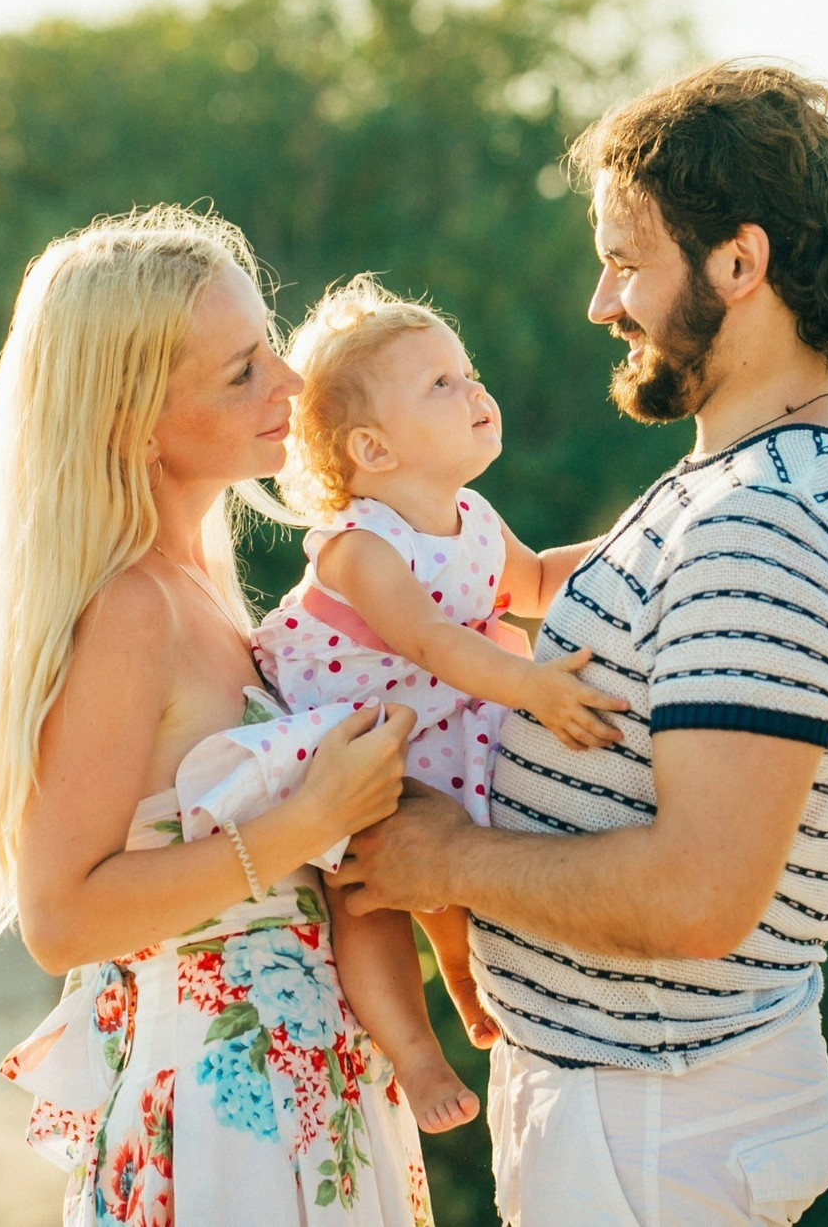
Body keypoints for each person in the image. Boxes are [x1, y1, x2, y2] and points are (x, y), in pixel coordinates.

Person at [325, 62, 828, 1226]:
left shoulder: (763, 521)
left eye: (626, 262)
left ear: (738, 265)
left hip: (655, 1131)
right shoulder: (725, 485)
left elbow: (697, 893)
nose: (601, 301)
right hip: (629, 1112)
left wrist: (446, 862)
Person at [0, 206, 435, 1226]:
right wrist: (301, 816)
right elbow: (60, 917)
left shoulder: (203, 591)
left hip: (301, 1080)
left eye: (268, 350)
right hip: (218, 1119)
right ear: (129, 417)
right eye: (239, 370)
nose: (288, 385)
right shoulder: (128, 611)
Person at [247, 275, 630, 1135]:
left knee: (451, 882)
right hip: (347, 741)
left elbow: (529, 584)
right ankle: (417, 1060)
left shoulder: (474, 517)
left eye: (468, 373)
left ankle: (464, 976)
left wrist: (630, 544)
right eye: (442, 386)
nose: (475, 393)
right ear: (374, 451)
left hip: (427, 723)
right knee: (370, 896)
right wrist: (534, 686)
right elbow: (429, 641)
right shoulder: (359, 547)